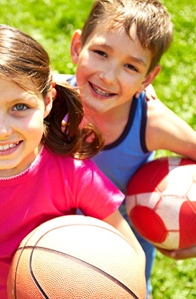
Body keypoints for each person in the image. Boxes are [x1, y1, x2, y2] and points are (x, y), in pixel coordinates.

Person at [0, 24, 145, 299]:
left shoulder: (72, 171)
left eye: (19, 107)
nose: (1, 130)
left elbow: (130, 248)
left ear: (47, 100)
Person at [66, 0, 196, 296]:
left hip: (123, 248)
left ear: (147, 78)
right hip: (55, 239)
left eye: (131, 67)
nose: (109, 76)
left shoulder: (151, 122)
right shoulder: (50, 101)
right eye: (100, 53)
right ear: (77, 47)